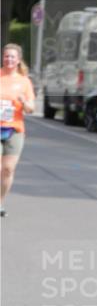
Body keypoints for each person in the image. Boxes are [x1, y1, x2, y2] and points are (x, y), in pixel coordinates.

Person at [1, 43, 35, 218]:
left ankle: (0, 202)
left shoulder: (24, 82)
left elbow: (31, 109)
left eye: (12, 57)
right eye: (6, 56)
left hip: (14, 129)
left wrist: (24, 101)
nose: (9, 59)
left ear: (18, 60)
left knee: (7, 169)